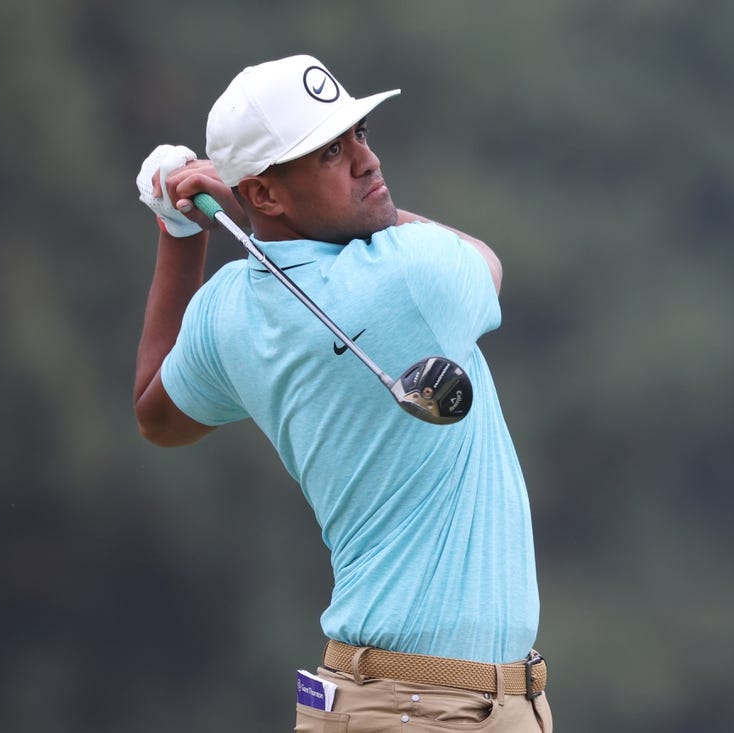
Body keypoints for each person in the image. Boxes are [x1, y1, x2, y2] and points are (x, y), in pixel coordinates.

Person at [133, 54, 551, 732]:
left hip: (404, 699)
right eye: (332, 152)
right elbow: (487, 261)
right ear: (263, 196)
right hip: (431, 709)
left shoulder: (226, 313)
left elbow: (157, 413)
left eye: (359, 133)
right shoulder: (410, 276)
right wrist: (375, 214)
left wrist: (179, 232)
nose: (369, 161)